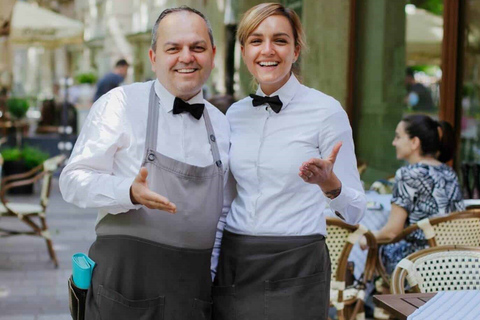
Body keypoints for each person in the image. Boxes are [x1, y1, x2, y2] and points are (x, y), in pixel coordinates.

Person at [60, 6, 230, 320]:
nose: (186, 56)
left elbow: (223, 213)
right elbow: (72, 180)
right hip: (124, 288)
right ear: (153, 58)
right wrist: (128, 192)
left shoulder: (222, 124)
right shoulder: (120, 105)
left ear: (213, 54)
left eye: (197, 47)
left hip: (193, 294)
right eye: (173, 48)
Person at [211, 3, 366, 319]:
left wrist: (331, 185)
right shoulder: (234, 115)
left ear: (296, 50)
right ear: (243, 52)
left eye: (280, 40)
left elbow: (355, 212)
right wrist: (212, 264)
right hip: (236, 258)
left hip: (297, 261)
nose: (268, 50)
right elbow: (225, 201)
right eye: (256, 40)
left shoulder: (327, 112)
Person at [360, 114, 464, 274]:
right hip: (454, 261)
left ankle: (372, 295)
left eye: (398, 137)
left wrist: (368, 237)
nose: (394, 142)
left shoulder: (407, 174)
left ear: (414, 142)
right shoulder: (449, 172)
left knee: (375, 249)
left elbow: (392, 232)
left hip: (421, 262)